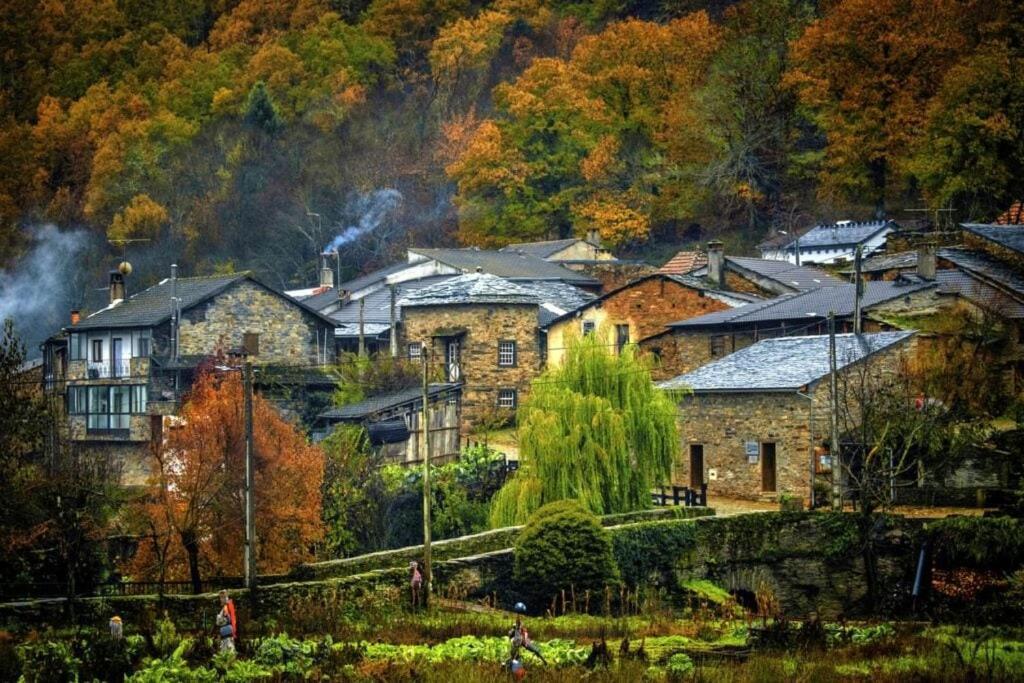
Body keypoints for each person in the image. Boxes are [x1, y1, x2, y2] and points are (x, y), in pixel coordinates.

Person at [507, 602, 546, 668]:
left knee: (536, 651)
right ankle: (511, 667)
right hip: (518, 643)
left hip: (524, 642)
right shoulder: (517, 628)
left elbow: (524, 636)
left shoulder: (522, 629)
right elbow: (517, 624)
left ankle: (544, 662)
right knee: (514, 658)